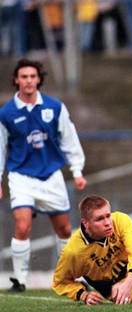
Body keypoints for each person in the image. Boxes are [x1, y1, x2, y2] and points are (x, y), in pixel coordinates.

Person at [0, 58, 88, 292]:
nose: (28, 81)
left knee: (64, 230)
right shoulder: (6, 113)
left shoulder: (55, 107)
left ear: (38, 79)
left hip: (51, 176)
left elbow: (70, 139)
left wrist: (77, 171)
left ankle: (69, 277)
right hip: (21, 177)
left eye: (32, 76)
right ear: (16, 80)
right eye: (23, 77)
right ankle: (19, 281)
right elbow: (0, 147)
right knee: (22, 226)